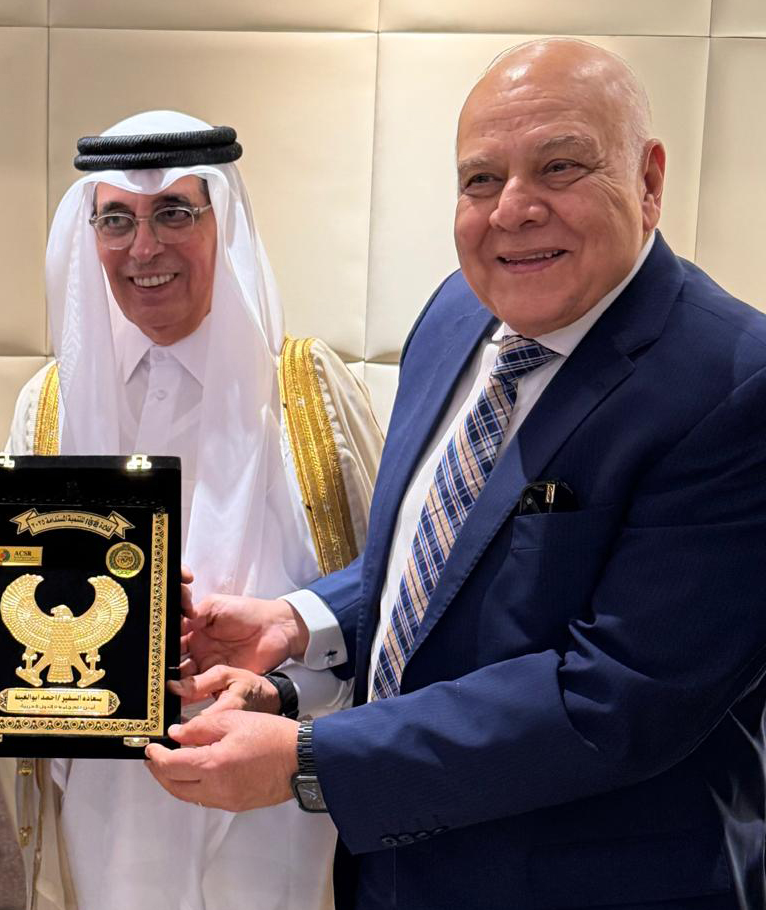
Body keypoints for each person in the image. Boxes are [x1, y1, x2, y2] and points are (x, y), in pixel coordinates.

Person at [146, 39, 766, 909]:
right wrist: (300, 622)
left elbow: (616, 698)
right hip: (396, 873)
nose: (513, 210)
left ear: (650, 179)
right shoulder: (456, 312)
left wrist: (313, 761)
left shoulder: (734, 383)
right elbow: (443, 558)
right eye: (481, 179)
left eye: (560, 165)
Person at [0, 111, 385, 910]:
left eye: (175, 211)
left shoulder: (310, 391)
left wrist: (286, 699)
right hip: (111, 809)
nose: (145, 248)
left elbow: (385, 599)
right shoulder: (49, 406)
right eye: (116, 219)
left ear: (223, 220)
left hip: (283, 795)